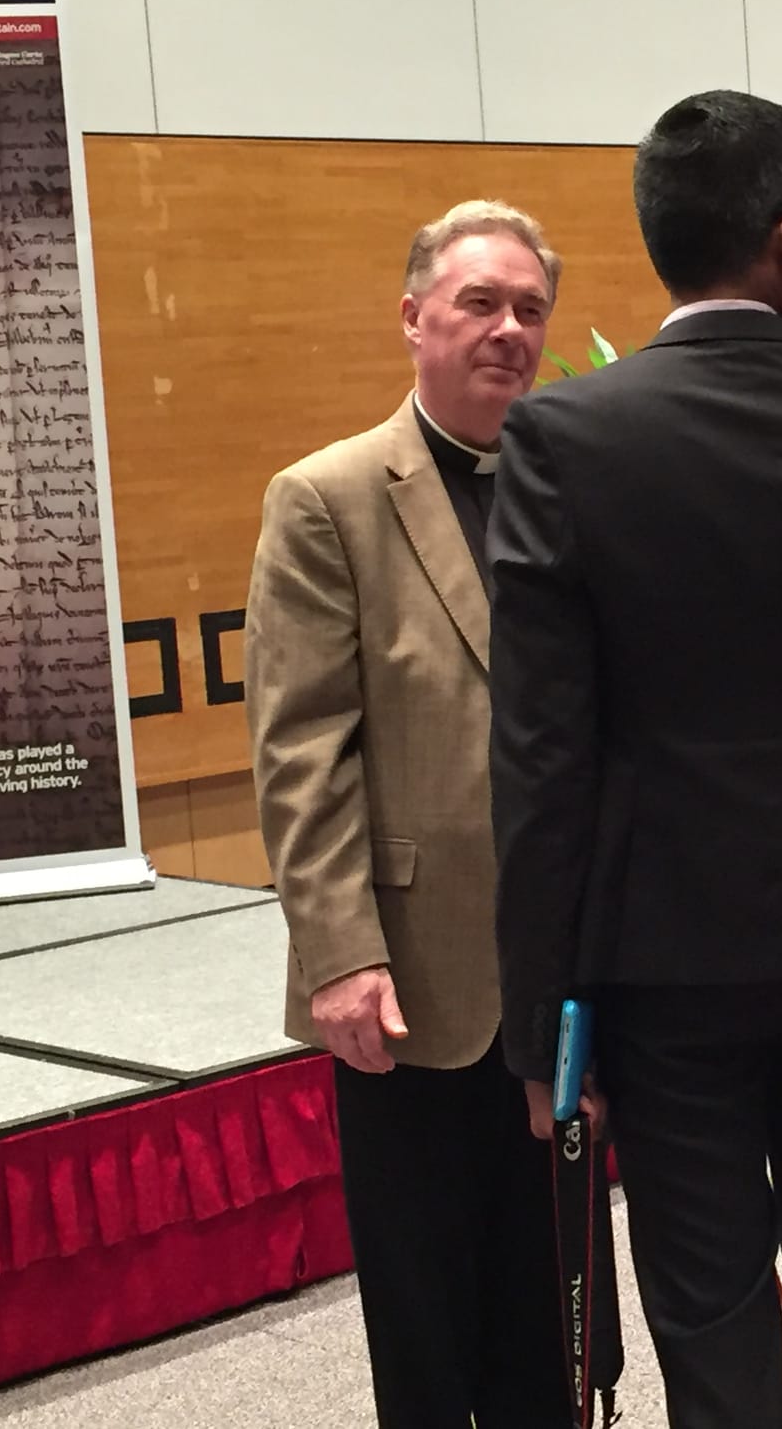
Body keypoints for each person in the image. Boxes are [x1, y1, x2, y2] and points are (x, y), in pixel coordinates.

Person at [488, 89, 782, 1429]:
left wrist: (537, 1027)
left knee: (708, 1301)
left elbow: (539, 752)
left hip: (661, 941)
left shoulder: (564, 439)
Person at [246, 200, 592, 1429]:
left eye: (529, 309)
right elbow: (301, 751)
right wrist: (339, 952)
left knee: (557, 1303)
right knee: (428, 1313)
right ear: (413, 319)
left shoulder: (575, 484)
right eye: (478, 304)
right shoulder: (327, 497)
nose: (508, 330)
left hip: (561, 968)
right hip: (407, 977)